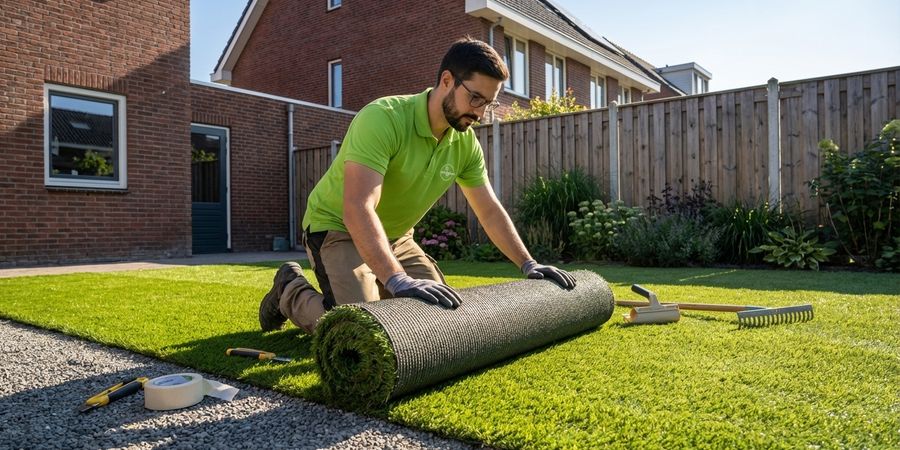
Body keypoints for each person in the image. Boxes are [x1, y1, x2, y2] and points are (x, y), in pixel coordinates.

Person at [259, 37, 576, 334]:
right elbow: (358, 207)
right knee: (360, 327)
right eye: (475, 98)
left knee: (438, 314)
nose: (479, 113)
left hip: (396, 237)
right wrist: (396, 279)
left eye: (488, 104)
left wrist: (528, 263)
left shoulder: (464, 143)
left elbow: (490, 210)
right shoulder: (383, 119)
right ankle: (290, 288)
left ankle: (379, 285)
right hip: (337, 227)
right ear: (447, 80)